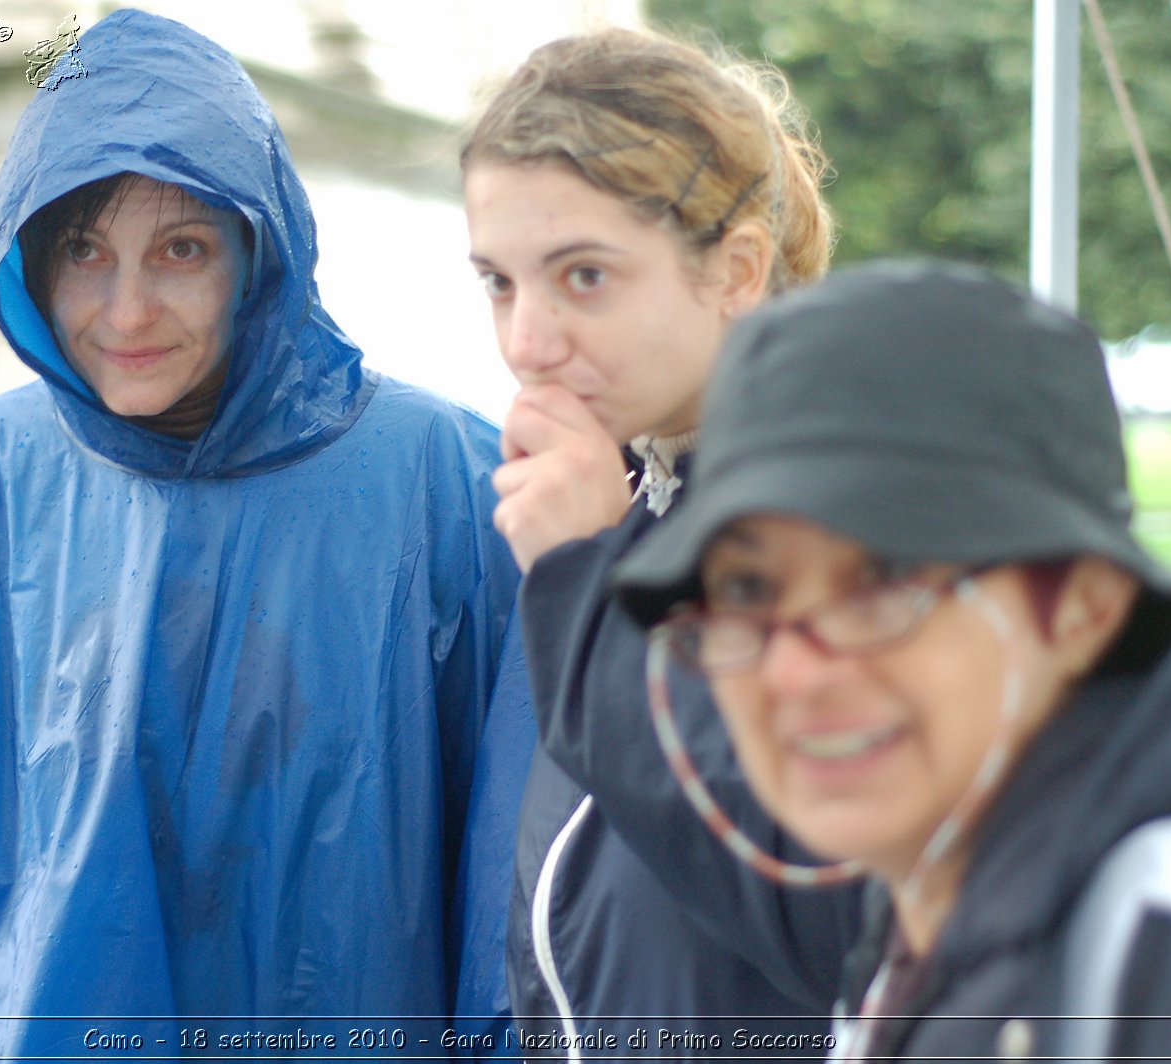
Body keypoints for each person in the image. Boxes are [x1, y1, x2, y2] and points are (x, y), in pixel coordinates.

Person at [0, 10, 532, 1061]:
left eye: (181, 249)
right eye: (84, 250)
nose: (127, 310)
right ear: (32, 267)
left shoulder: (445, 483)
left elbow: (526, 896)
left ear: (259, 254)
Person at [613, 260, 1171, 1060]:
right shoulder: (921, 929)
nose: (793, 674)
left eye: (884, 578)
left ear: (1086, 607)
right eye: (746, 586)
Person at [459, 27, 861, 1051]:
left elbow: (826, 914)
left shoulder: (855, 526)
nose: (526, 341)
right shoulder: (639, 497)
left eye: (582, 276)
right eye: (498, 282)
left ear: (734, 270)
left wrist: (587, 579)